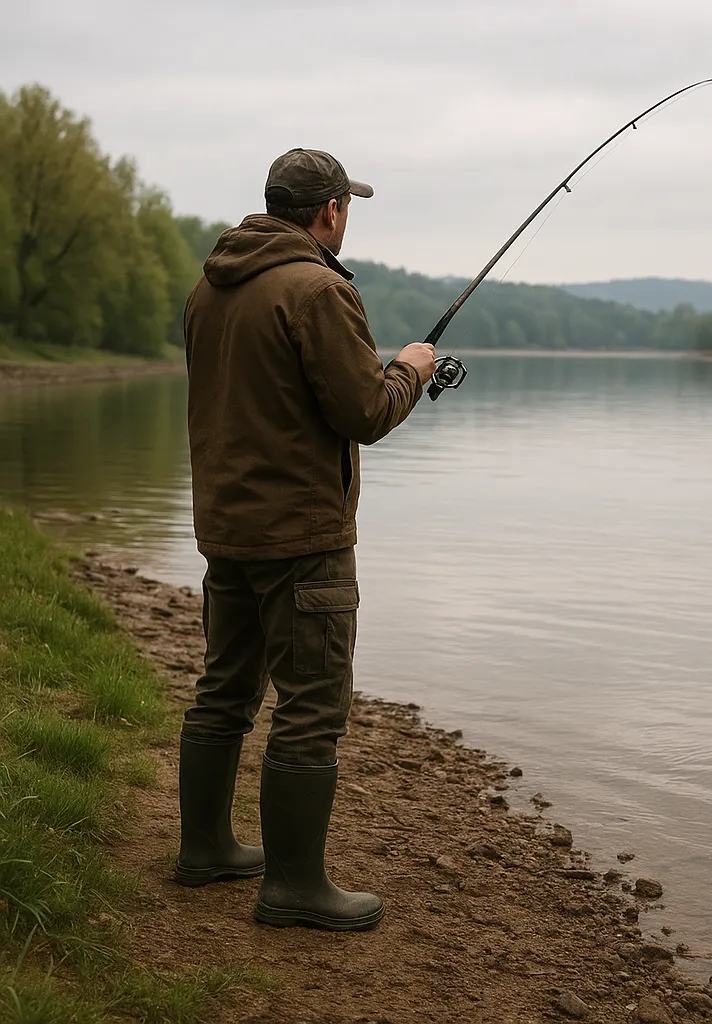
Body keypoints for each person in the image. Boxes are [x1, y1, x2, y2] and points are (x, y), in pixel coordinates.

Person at [174, 148, 436, 932]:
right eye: (345, 207)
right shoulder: (320, 289)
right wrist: (411, 369)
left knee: (224, 690)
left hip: (227, 531)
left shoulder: (207, 288)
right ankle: (293, 888)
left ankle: (206, 849)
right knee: (311, 705)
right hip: (304, 540)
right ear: (329, 212)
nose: (346, 218)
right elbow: (364, 413)